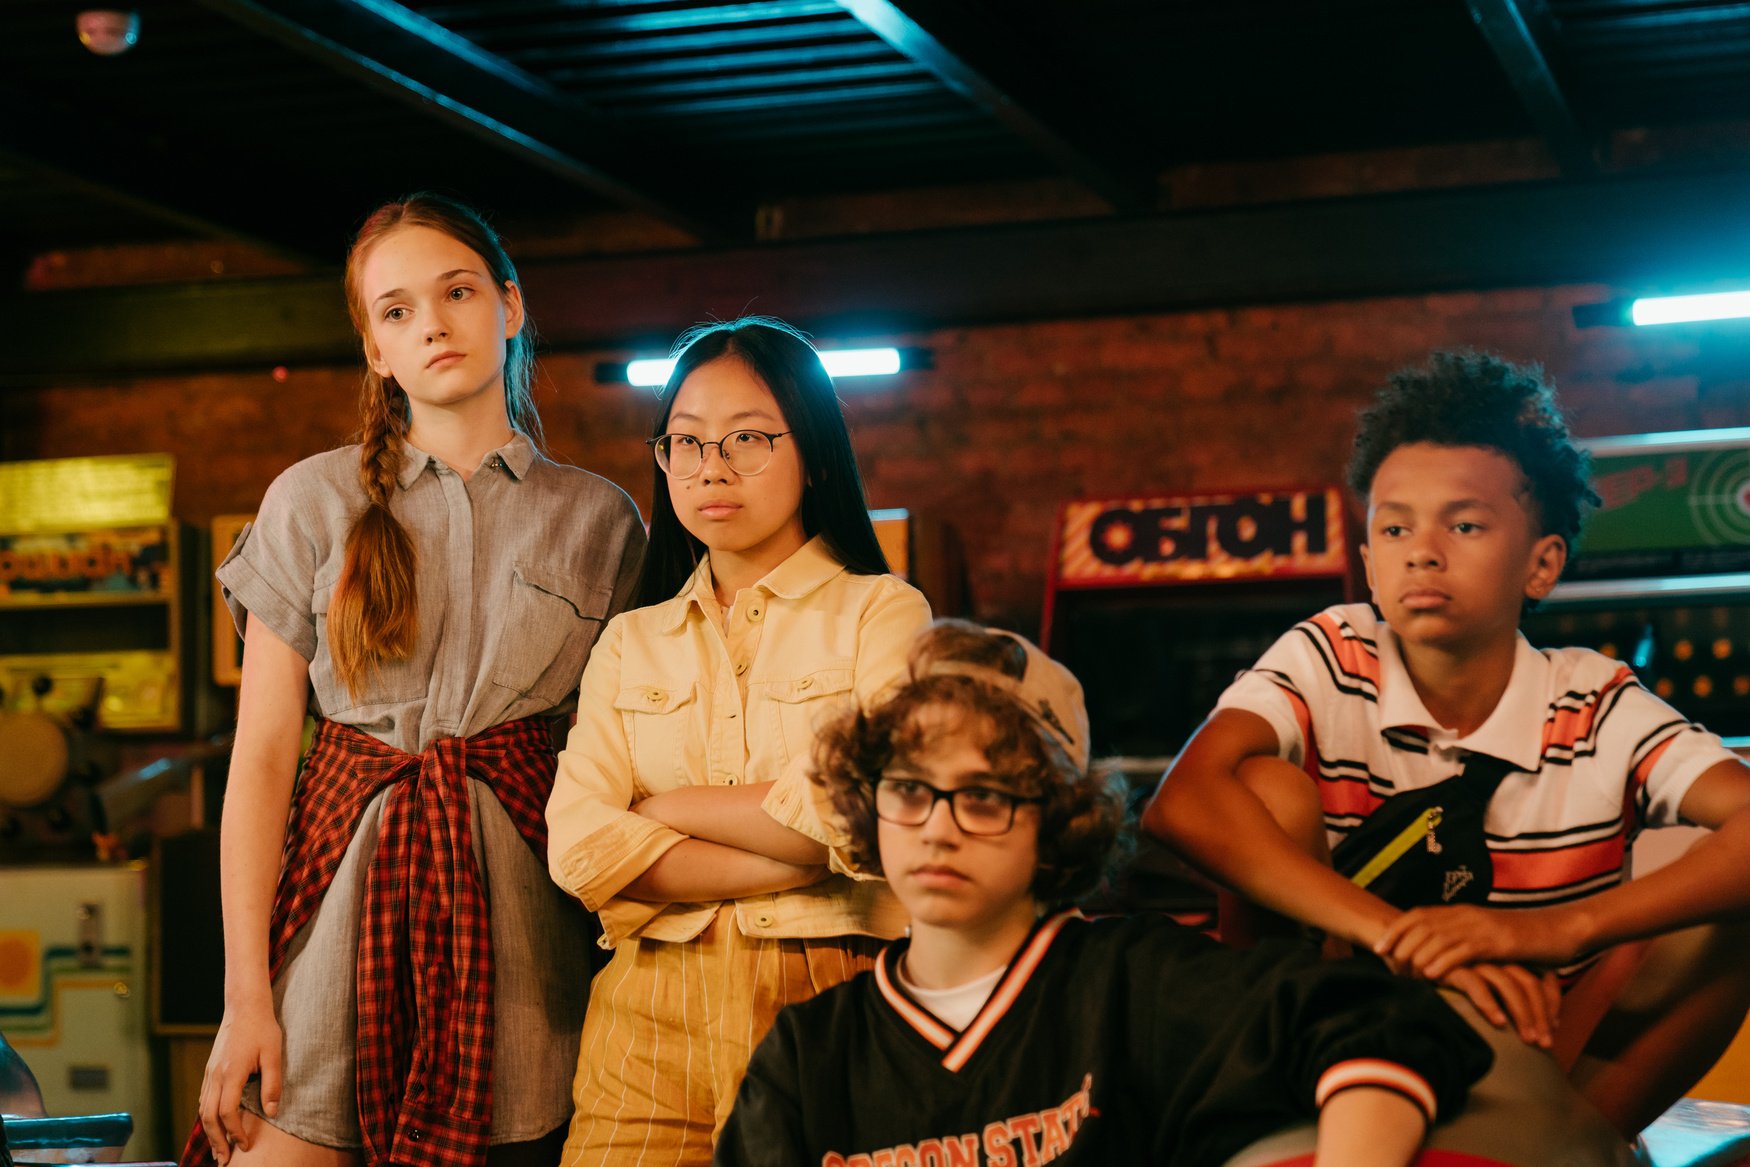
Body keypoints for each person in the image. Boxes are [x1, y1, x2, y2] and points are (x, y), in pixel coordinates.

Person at [1146, 350, 1750, 1138]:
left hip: (1533, 1046)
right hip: (1331, 1032)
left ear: (1541, 564)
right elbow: (1180, 803)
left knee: (1725, 904)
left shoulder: (1594, 700)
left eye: (1464, 524)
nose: (1421, 549)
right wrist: (1403, 937)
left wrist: (1550, 930)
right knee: (1262, 785)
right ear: (1366, 562)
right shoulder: (1331, 651)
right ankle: (1272, 1116)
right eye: (1394, 526)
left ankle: (1578, 1143)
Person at [187, 193, 646, 1167]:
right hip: (326, 946)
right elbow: (265, 761)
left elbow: (625, 764)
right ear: (374, 351)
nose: (431, 322)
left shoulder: (602, 523)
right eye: (395, 311)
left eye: (457, 292)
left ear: (510, 309)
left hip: (528, 955)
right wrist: (243, 1001)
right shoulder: (311, 501)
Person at [717, 620, 1493, 1167]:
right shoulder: (807, 1054)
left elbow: (1384, 1022)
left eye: (984, 796)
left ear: (1055, 821)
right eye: (911, 789)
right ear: (869, 801)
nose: (938, 828)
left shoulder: (1135, 984)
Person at [545, 318, 932, 1164]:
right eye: (684, 442)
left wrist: (673, 809)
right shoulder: (630, 639)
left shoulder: (882, 612)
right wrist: (805, 853)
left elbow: (872, 816)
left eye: (747, 438)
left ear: (817, 452)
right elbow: (578, 848)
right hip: (644, 1025)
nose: (711, 466)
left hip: (831, 994)